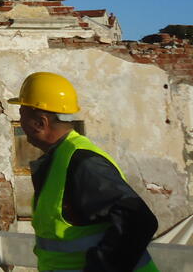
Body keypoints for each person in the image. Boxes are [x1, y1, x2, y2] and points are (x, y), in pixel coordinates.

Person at [9, 72, 158, 271]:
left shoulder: (82, 162)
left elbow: (139, 220)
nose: (21, 123)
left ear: (41, 123)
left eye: (22, 114)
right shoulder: (61, 159)